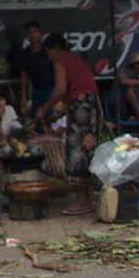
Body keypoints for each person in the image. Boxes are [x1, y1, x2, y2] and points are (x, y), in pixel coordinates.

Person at [35, 33, 101, 216]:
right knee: (88, 151)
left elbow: (61, 90)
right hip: (92, 107)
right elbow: (72, 97)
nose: (49, 57)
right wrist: (51, 118)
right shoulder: (76, 61)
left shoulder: (61, 61)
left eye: (49, 53)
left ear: (55, 49)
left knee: (76, 151)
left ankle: (82, 201)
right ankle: (89, 200)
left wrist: (44, 108)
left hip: (82, 109)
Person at [19, 22, 55, 116]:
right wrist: (23, 95)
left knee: (51, 116)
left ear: (40, 34)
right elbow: (24, 74)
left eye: (35, 32)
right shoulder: (25, 54)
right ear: (26, 35)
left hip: (51, 89)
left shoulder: (48, 51)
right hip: (36, 91)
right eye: (30, 32)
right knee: (38, 116)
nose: (33, 35)